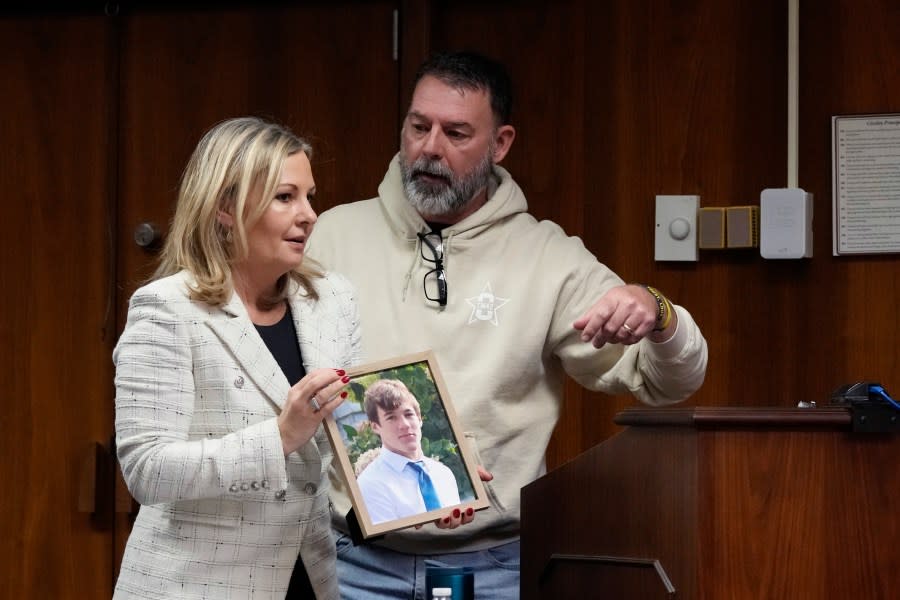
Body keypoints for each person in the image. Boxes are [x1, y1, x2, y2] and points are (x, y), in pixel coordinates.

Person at [307, 51, 708, 600]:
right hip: (354, 563)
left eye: (456, 132)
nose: (429, 148)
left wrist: (658, 313)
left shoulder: (548, 257)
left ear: (500, 144)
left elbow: (668, 383)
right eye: (418, 126)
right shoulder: (331, 235)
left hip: (493, 567)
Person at [112, 116, 360, 599]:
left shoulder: (333, 299)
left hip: (310, 580)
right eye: (286, 197)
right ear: (225, 207)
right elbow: (147, 470)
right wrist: (280, 437)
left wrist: (434, 478)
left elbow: (349, 435)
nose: (309, 214)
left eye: (310, 196)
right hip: (196, 586)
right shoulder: (167, 308)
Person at [355, 379, 461, 524]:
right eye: (391, 417)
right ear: (375, 427)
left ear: (419, 419)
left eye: (408, 414)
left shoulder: (444, 473)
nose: (404, 425)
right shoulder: (370, 483)